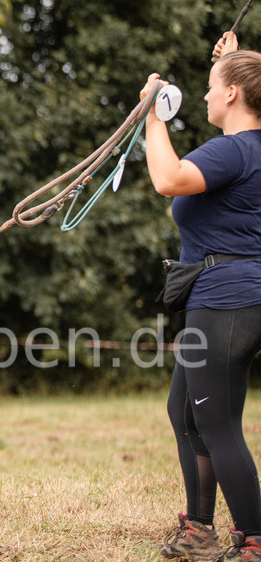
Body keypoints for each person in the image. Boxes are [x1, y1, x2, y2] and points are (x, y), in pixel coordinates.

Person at [143, 32, 261, 560]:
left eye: (213, 88)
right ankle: (198, 530)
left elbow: (168, 178)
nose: (207, 95)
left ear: (234, 94)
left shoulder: (233, 149)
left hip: (226, 298)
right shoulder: (250, 149)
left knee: (215, 423)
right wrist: (228, 62)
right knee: (186, 411)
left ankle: (255, 538)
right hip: (232, 297)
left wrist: (153, 113)